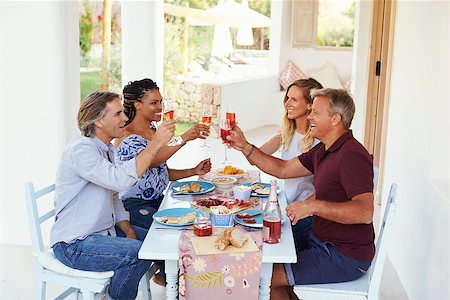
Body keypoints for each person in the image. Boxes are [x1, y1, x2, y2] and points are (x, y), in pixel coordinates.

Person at [228, 88, 375, 299]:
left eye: (315, 112)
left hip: (343, 255)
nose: (309, 116)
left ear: (335, 119)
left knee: (259, 278)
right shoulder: (324, 149)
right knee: (267, 256)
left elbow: (365, 212)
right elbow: (283, 169)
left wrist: (312, 206)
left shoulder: (351, 156)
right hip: (322, 241)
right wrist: (245, 147)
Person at [50, 91, 175, 300]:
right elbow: (119, 180)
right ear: (98, 121)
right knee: (139, 252)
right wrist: (156, 144)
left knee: (158, 241)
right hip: (75, 244)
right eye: (117, 114)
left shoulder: (106, 149)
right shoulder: (81, 150)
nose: (125, 118)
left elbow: (114, 195)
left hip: (104, 233)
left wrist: (127, 229)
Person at [114, 78, 212, 230]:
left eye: (161, 102)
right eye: (154, 103)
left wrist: (193, 171)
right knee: (172, 230)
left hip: (159, 199)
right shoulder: (126, 136)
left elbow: (160, 171)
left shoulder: (154, 132)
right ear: (137, 105)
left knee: (199, 217)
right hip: (134, 204)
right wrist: (184, 137)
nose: (161, 107)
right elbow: (151, 161)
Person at [259, 78, 323, 236]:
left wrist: (302, 208)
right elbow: (258, 156)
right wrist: (239, 141)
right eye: (287, 98)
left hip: (305, 214)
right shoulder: (287, 133)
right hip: (285, 204)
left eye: (294, 99)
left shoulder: (318, 141)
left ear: (310, 105)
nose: (287, 103)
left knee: (266, 232)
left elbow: (326, 189)